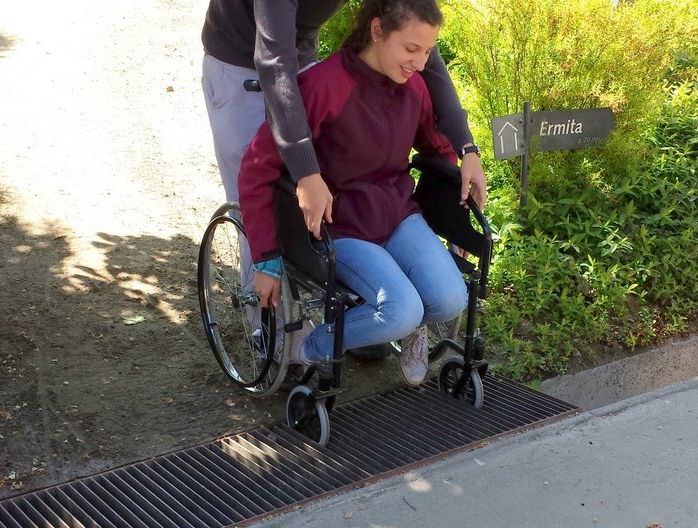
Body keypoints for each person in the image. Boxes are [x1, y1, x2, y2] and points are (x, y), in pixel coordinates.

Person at [237, 0, 466, 386]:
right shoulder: (323, 87)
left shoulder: (415, 89)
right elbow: (256, 169)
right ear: (377, 31)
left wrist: (456, 204)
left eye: (427, 52)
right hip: (342, 227)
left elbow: (436, 148)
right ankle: (310, 346)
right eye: (411, 49)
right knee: (399, 310)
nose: (420, 63)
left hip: (397, 215)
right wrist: (266, 259)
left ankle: (410, 329)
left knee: (450, 298)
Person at [200, 0, 487, 223]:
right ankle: (256, 292)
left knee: (307, 199)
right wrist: (306, 172)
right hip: (236, 60)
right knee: (254, 196)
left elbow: (419, 40)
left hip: (298, 50)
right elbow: (274, 61)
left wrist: (466, 146)